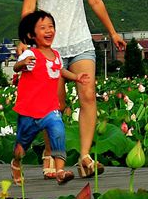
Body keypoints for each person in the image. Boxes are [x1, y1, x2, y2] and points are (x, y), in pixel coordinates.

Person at [21, 0, 127, 178]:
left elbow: (95, 1)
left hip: (80, 41)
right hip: (49, 49)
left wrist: (112, 32)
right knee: (53, 105)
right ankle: (50, 153)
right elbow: (28, 7)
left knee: (88, 94)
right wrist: (25, 42)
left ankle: (84, 157)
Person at [11, 10, 90, 186]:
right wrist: (22, 64)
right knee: (22, 144)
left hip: (50, 107)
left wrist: (76, 77)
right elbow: (17, 67)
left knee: (58, 132)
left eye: (51, 26)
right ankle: (16, 164)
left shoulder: (56, 55)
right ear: (31, 35)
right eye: (43, 28)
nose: (49, 31)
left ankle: (60, 170)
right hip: (30, 110)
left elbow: (59, 70)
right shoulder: (30, 54)